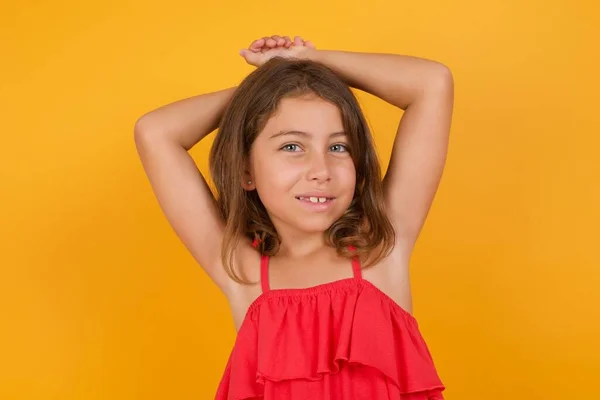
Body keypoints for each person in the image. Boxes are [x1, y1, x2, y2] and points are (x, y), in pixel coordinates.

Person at [134, 34, 454, 399]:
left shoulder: (382, 245)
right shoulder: (244, 271)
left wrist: (306, 61)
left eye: (338, 146)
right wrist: (267, 86)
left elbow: (432, 83)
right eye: (292, 146)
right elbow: (155, 132)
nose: (322, 169)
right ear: (245, 172)